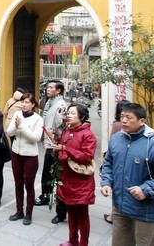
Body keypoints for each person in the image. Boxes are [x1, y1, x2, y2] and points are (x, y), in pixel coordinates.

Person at [100, 102, 154, 246]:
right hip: (119, 207)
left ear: (142, 121)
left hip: (145, 210)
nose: (124, 120)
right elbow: (108, 163)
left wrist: (146, 189)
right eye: (122, 116)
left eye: (129, 117)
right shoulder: (116, 139)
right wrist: (106, 181)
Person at [51, 103, 97, 246]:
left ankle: (83, 243)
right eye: (68, 113)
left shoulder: (88, 135)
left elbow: (87, 157)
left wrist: (66, 149)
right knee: (71, 213)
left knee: (82, 216)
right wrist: (57, 152)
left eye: (72, 113)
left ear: (81, 117)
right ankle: (72, 241)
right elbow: (63, 154)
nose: (68, 116)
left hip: (81, 182)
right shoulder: (66, 131)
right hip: (67, 178)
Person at [6, 92, 43, 226]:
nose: (24, 104)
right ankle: (19, 211)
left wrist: (21, 126)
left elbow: (36, 138)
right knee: (18, 183)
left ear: (33, 105)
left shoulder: (38, 119)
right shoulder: (17, 114)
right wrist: (16, 126)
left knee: (29, 185)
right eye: (23, 101)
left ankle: (29, 214)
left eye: (27, 102)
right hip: (16, 153)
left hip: (30, 156)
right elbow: (9, 132)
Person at [35, 79, 69, 226]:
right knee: (47, 171)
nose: (48, 90)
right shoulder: (49, 102)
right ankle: (47, 195)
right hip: (49, 142)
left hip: (54, 144)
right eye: (47, 87)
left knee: (53, 172)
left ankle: (51, 198)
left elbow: (60, 126)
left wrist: (56, 143)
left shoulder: (60, 105)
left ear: (58, 90)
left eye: (51, 88)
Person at [103, 99, 131, 225]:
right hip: (128, 162)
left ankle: (115, 215)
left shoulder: (117, 125)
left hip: (117, 161)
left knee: (117, 188)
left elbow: (112, 144)